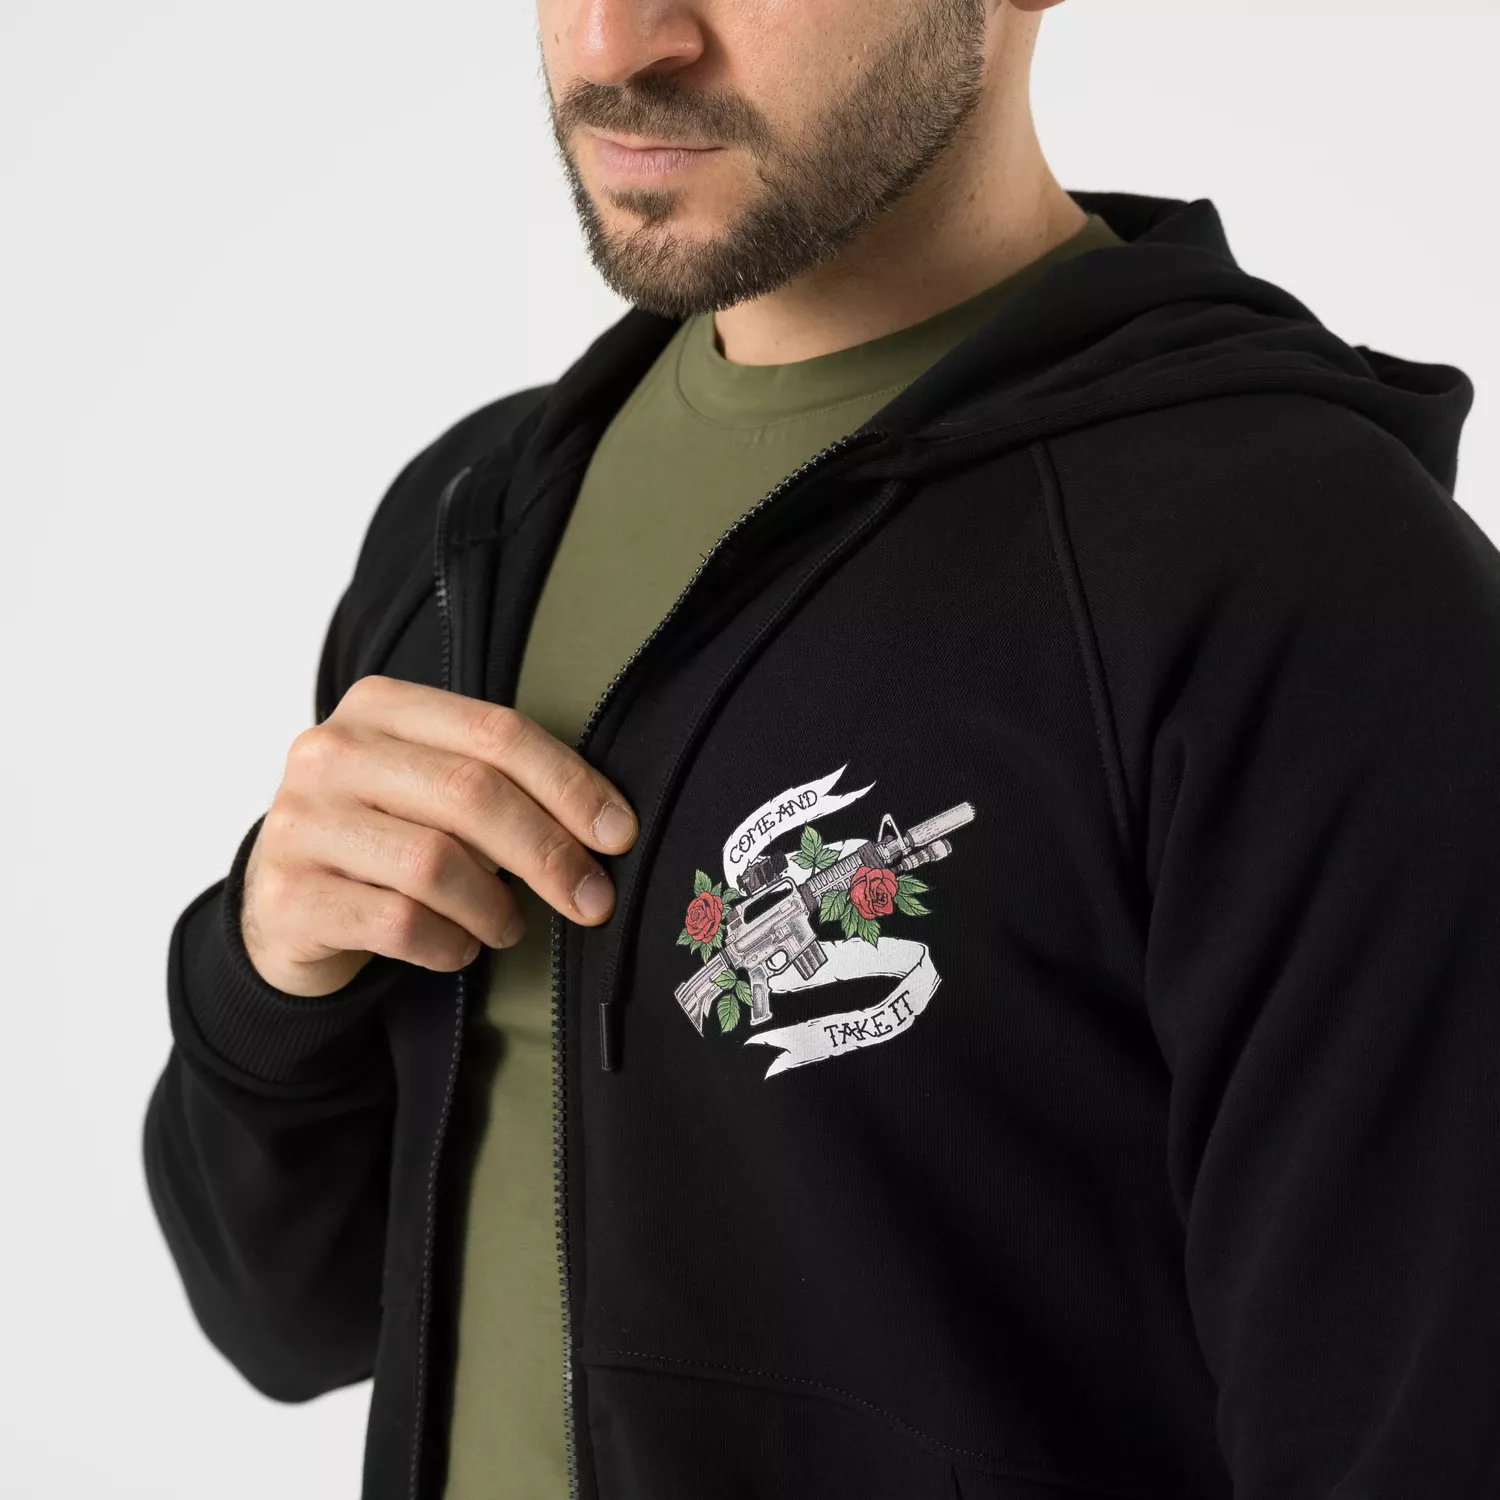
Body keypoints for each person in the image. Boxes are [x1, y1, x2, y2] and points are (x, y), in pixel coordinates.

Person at [141, 1, 1500, 1497]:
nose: (613, 41)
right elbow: (292, 1314)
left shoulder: (1300, 575)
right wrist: (265, 975)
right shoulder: (473, 521)